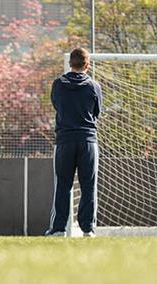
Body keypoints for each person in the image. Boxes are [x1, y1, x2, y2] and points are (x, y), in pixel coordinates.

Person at [45, 47, 103, 237]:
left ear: (70, 63)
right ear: (87, 64)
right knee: (88, 185)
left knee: (63, 184)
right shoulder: (94, 86)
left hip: (64, 140)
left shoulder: (58, 84)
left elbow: (56, 105)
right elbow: (97, 112)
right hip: (88, 140)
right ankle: (88, 229)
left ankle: (59, 228)